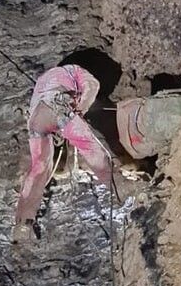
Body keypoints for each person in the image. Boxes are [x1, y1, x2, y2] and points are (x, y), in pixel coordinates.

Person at [14, 64, 125, 232]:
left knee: (39, 168)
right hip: (58, 108)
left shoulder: (45, 79)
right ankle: (119, 190)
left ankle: (23, 223)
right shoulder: (77, 71)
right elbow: (92, 86)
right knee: (92, 149)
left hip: (36, 118)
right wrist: (80, 109)